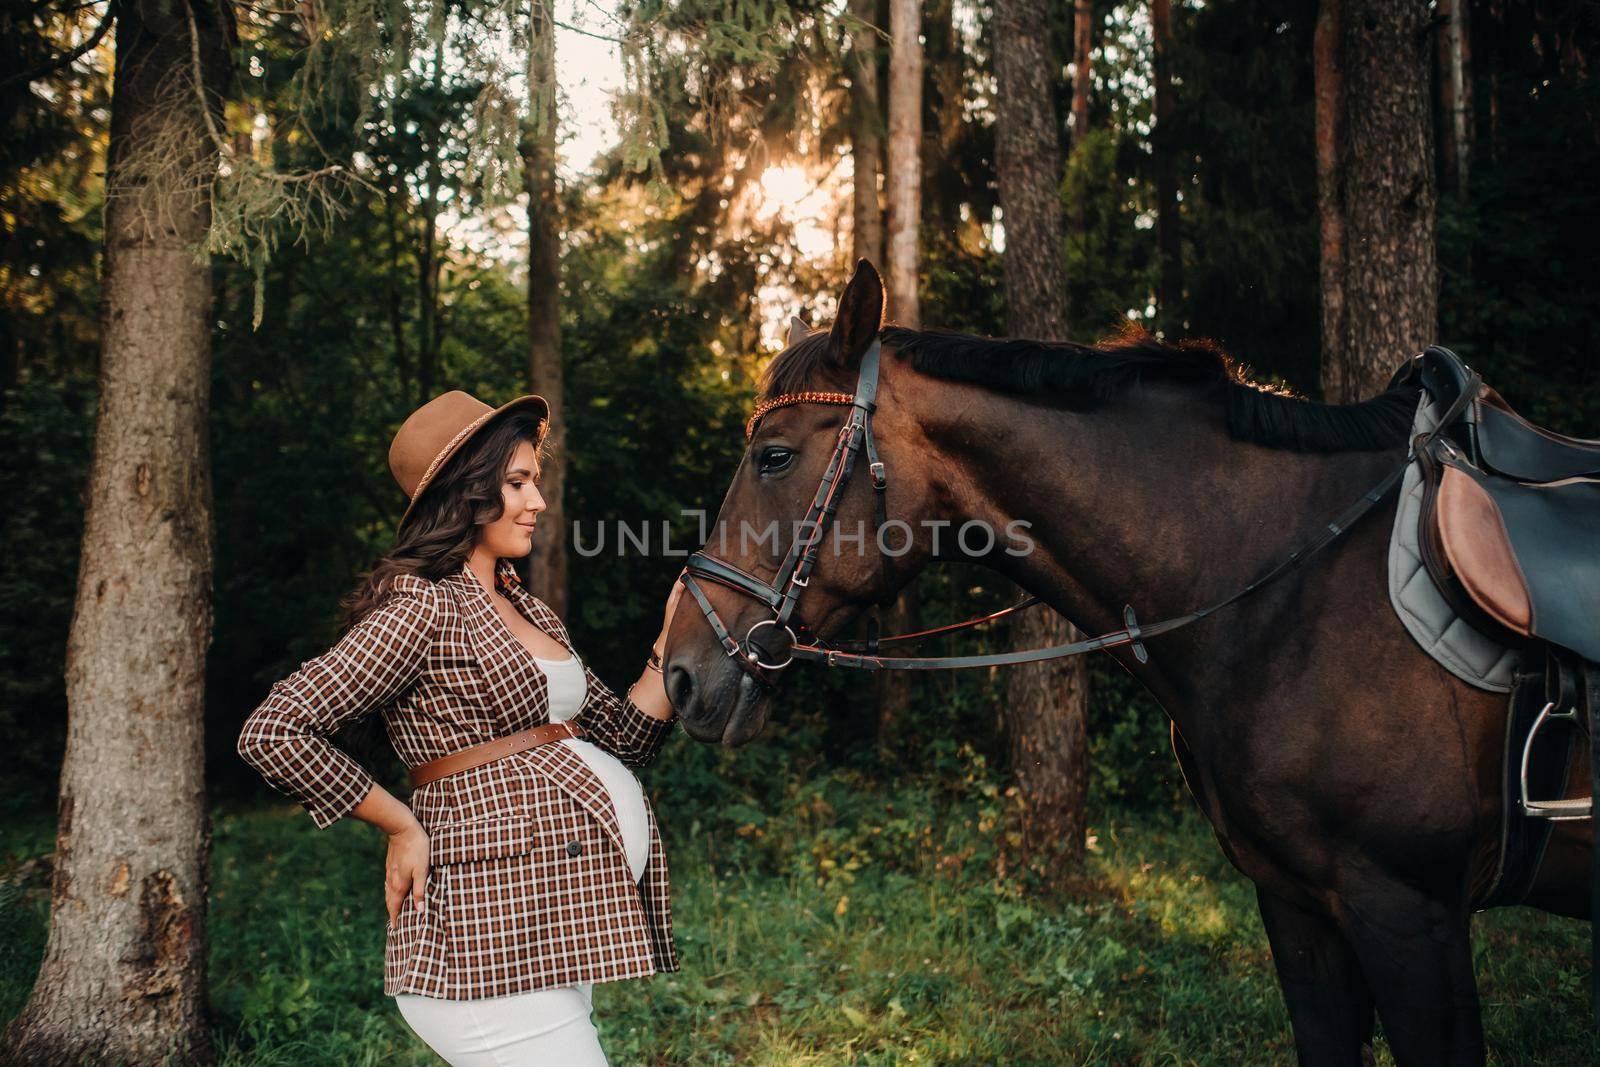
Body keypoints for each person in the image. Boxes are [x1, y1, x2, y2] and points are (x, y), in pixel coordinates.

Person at [236, 389, 685, 1065]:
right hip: (481, 937)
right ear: (466, 492)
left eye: (535, 481)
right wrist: (398, 821)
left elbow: (626, 738)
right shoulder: (421, 609)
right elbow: (273, 730)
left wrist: (675, 637)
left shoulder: (530, 611)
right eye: (517, 483)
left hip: (546, 925)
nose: (537, 501)